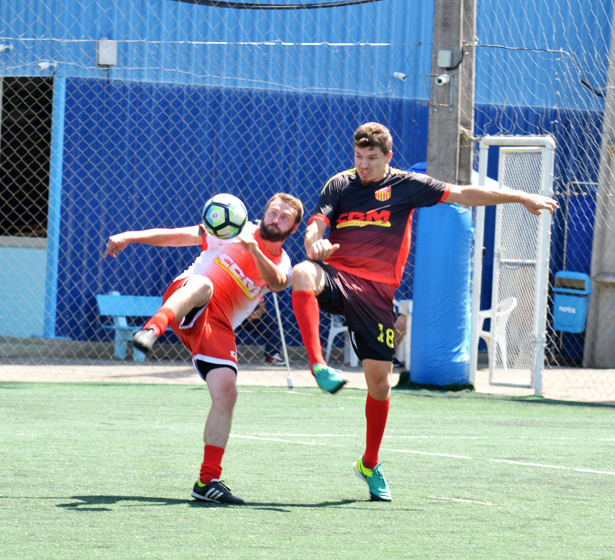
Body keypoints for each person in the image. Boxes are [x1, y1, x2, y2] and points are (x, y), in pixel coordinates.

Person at [291, 122, 559, 502]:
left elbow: (464, 193)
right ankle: (318, 365)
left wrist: (520, 197)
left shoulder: (407, 185)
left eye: (371, 158)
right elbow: (316, 226)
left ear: (388, 157)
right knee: (301, 273)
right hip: (338, 276)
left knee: (380, 385)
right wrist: (314, 244)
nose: (363, 165)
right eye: (358, 157)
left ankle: (369, 463)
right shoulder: (340, 184)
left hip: (377, 295)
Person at [103, 192, 303, 505]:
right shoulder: (234, 229)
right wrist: (129, 236)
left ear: (293, 228)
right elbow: (178, 236)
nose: (275, 220)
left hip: (217, 326)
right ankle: (153, 327)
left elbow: (277, 282)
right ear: (263, 214)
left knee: (227, 392)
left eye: (284, 218)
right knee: (204, 284)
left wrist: (254, 250)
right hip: (187, 296)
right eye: (272, 212)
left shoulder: (284, 262)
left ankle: (207, 481)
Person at [236, 298, 284, 365]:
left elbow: (262, 306)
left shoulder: (254, 288)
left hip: (246, 318)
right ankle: (225, 355)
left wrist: (259, 312)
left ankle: (273, 356)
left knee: (269, 321)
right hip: (228, 315)